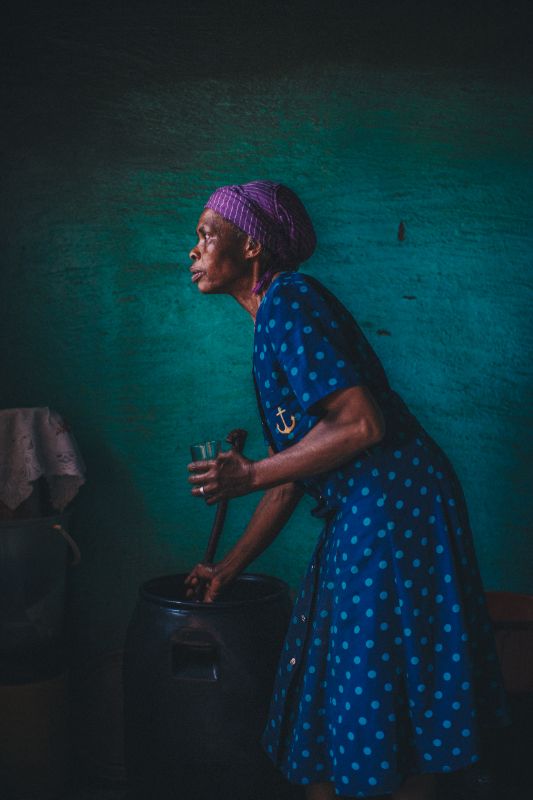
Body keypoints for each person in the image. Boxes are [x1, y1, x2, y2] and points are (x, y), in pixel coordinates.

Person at [184, 181, 507, 800]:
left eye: (206, 234)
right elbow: (290, 478)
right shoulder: (270, 325)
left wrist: (248, 475)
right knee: (346, 684)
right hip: (370, 507)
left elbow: (362, 424)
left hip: (395, 504)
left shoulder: (289, 301)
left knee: (375, 683)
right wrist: (226, 568)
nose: (192, 250)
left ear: (250, 244)